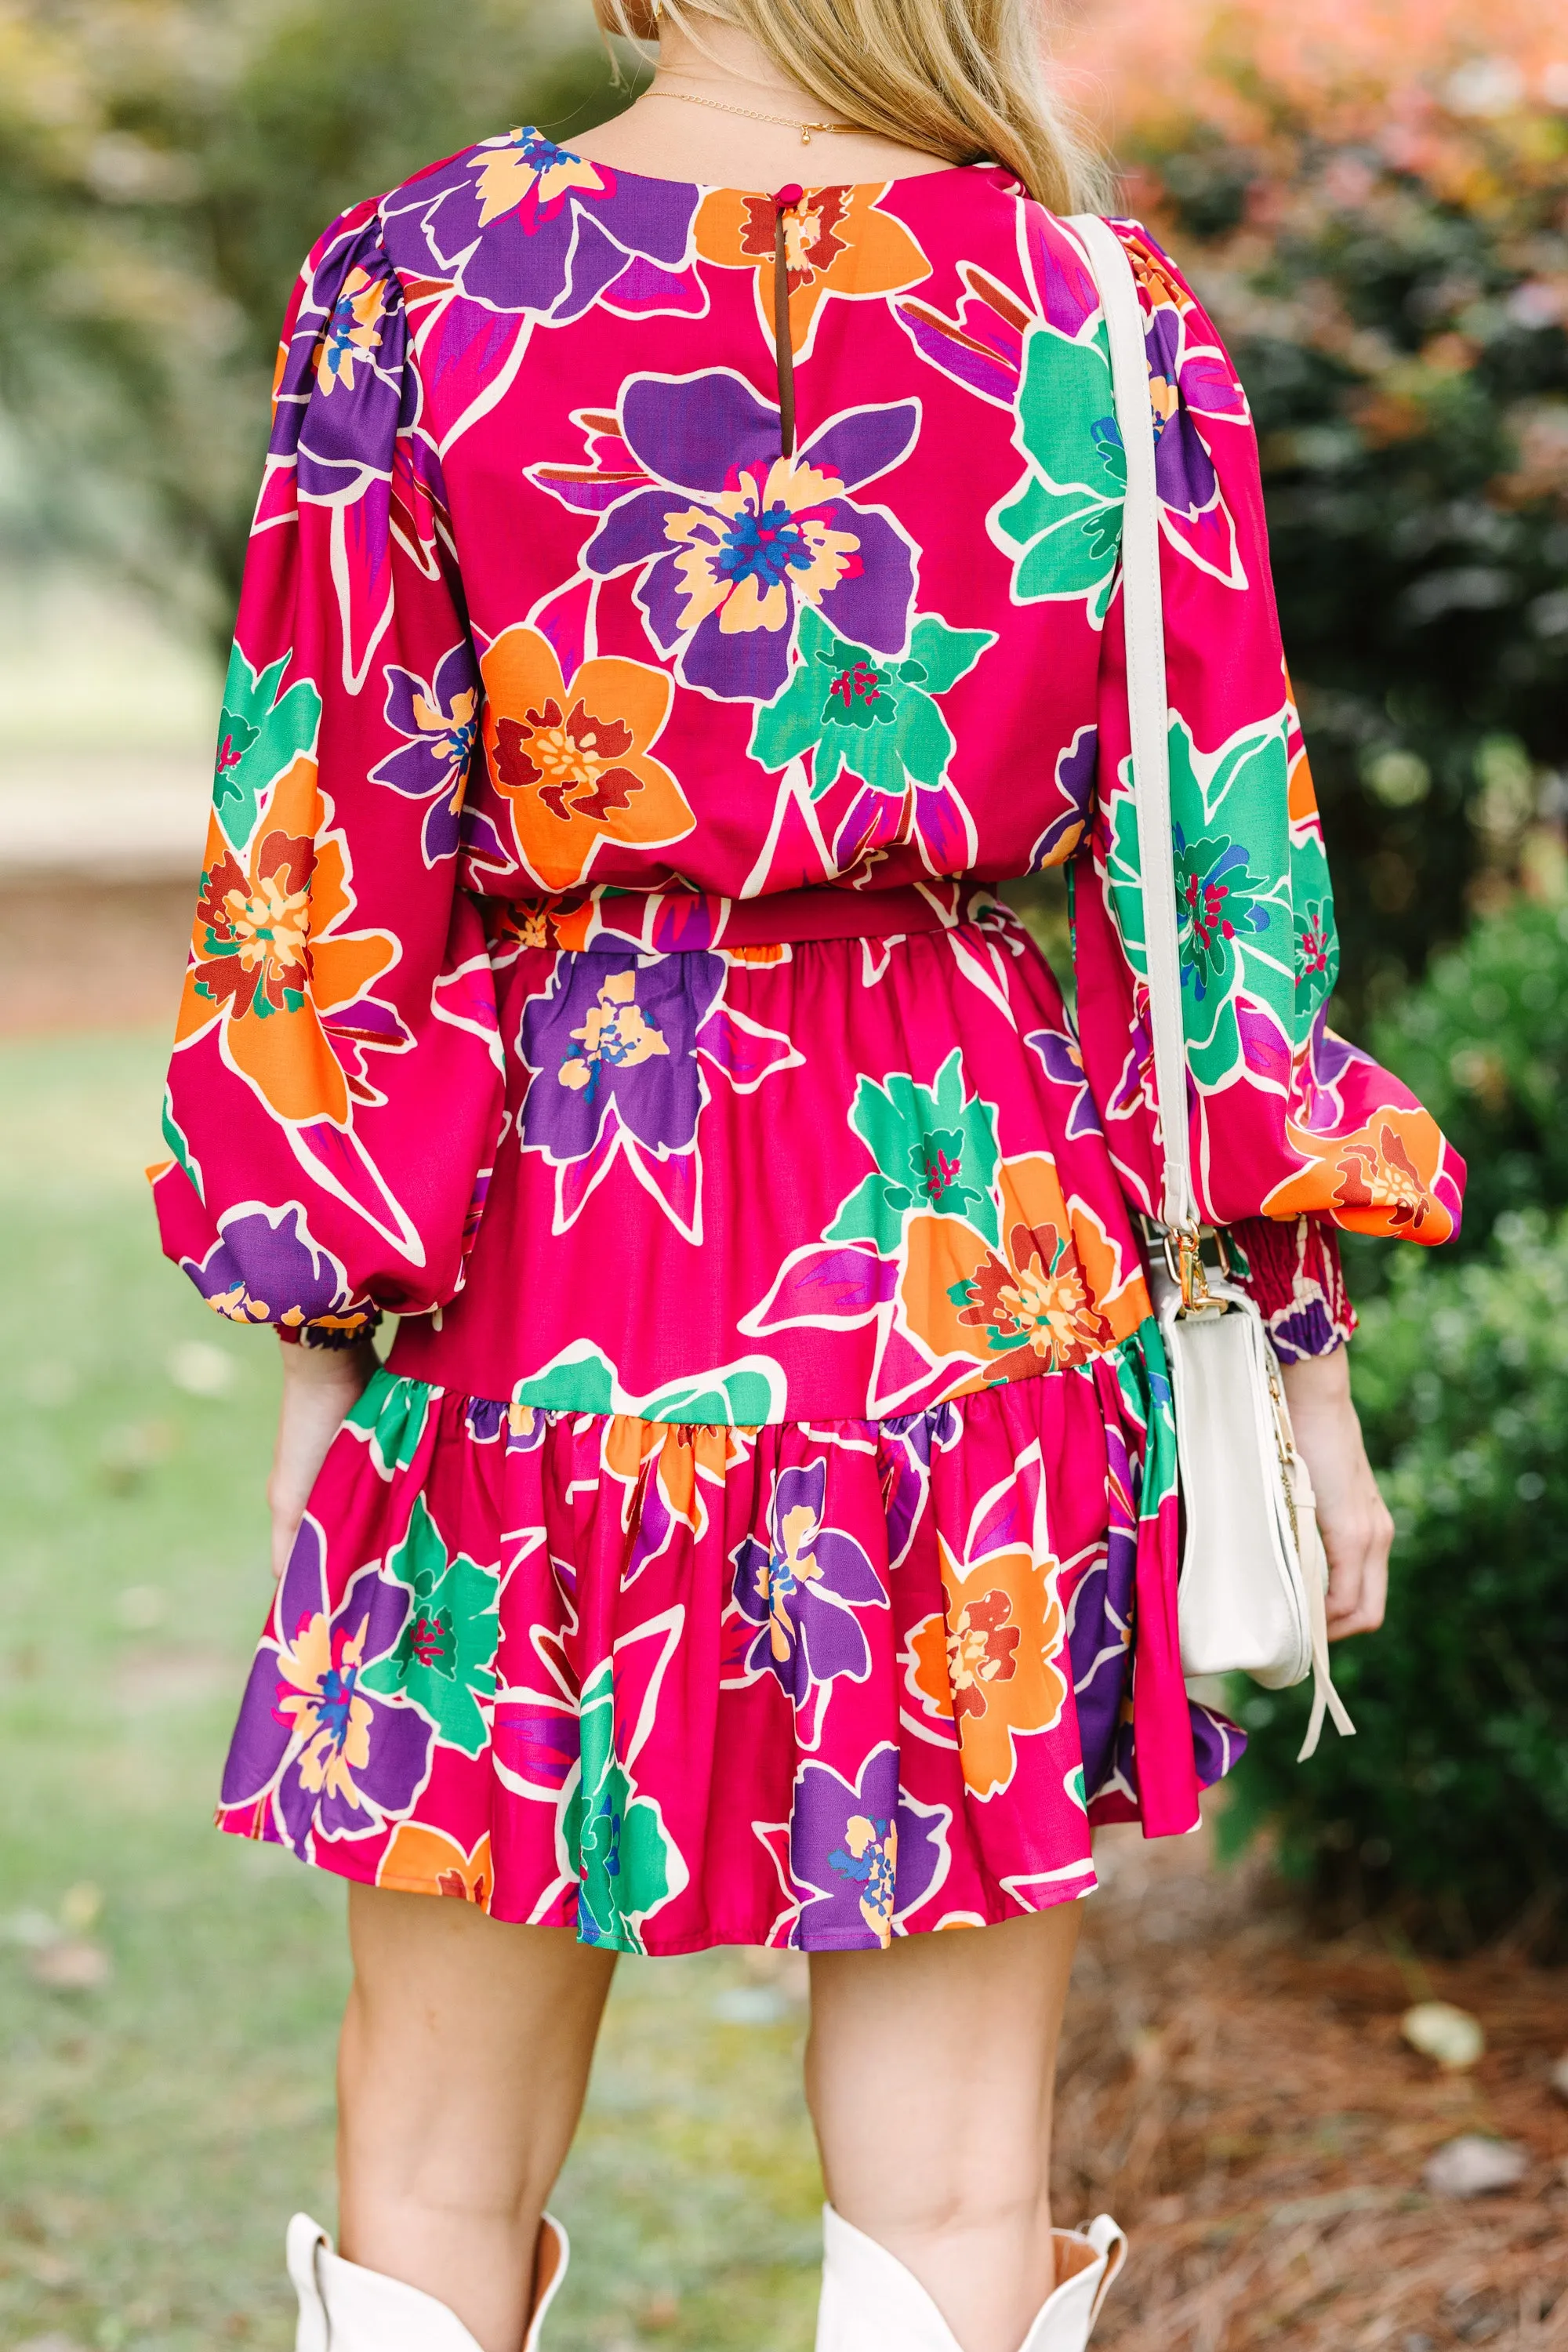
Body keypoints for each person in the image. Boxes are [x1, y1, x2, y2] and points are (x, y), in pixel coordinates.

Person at [151, 2, 1465, 2346]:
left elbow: (330, 847)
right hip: (966, 1260)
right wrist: (1301, 1361)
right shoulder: (1092, 301)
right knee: (958, 2199)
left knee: (432, 2170)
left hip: (548, 1254)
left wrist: (322, 1327)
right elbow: (1213, 876)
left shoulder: (421, 279)